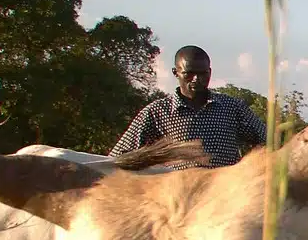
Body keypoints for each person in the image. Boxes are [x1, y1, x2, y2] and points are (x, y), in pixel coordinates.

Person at [111, 45, 266, 168]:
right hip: (180, 200)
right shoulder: (157, 112)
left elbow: (268, 140)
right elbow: (118, 157)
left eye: (203, 73)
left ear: (210, 72)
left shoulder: (232, 108)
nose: (196, 79)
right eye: (189, 74)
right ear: (176, 72)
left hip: (224, 197)